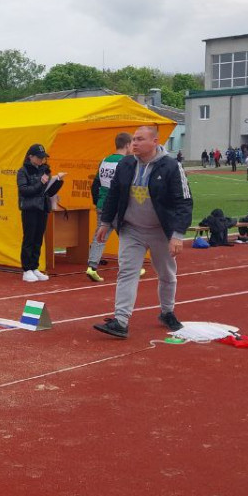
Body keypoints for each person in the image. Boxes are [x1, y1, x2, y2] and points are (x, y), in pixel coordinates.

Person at [92, 125, 193, 339]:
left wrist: (177, 235)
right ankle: (121, 321)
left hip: (160, 231)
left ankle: (167, 312)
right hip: (132, 230)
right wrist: (106, 222)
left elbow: (184, 202)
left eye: (140, 139)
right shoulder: (125, 164)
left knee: (166, 274)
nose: (135, 143)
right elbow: (113, 194)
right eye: (134, 139)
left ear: (155, 142)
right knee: (127, 271)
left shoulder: (171, 166)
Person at [84, 132, 132, 282]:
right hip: (118, 206)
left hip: (102, 204)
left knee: (100, 236)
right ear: (127, 145)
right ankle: (132, 267)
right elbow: (127, 186)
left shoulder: (104, 161)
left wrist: (97, 201)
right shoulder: (126, 162)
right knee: (128, 237)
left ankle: (92, 266)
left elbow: (95, 184)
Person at [15, 143, 65, 283]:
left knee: (38, 239)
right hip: (29, 208)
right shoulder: (23, 171)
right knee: (29, 238)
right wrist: (41, 183)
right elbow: (24, 190)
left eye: (43, 157)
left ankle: (34, 267)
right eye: (39, 157)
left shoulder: (44, 170)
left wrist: (58, 181)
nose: (42, 160)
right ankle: (27, 269)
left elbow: (49, 191)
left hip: (42, 207)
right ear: (30, 157)